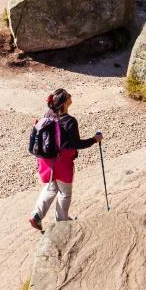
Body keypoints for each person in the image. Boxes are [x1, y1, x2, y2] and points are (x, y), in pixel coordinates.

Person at [27, 88, 101, 230]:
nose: (71, 96)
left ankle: (36, 215)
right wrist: (94, 139)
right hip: (62, 163)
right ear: (64, 103)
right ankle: (62, 222)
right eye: (68, 96)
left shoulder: (47, 115)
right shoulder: (70, 121)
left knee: (50, 187)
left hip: (45, 161)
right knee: (64, 193)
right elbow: (76, 144)